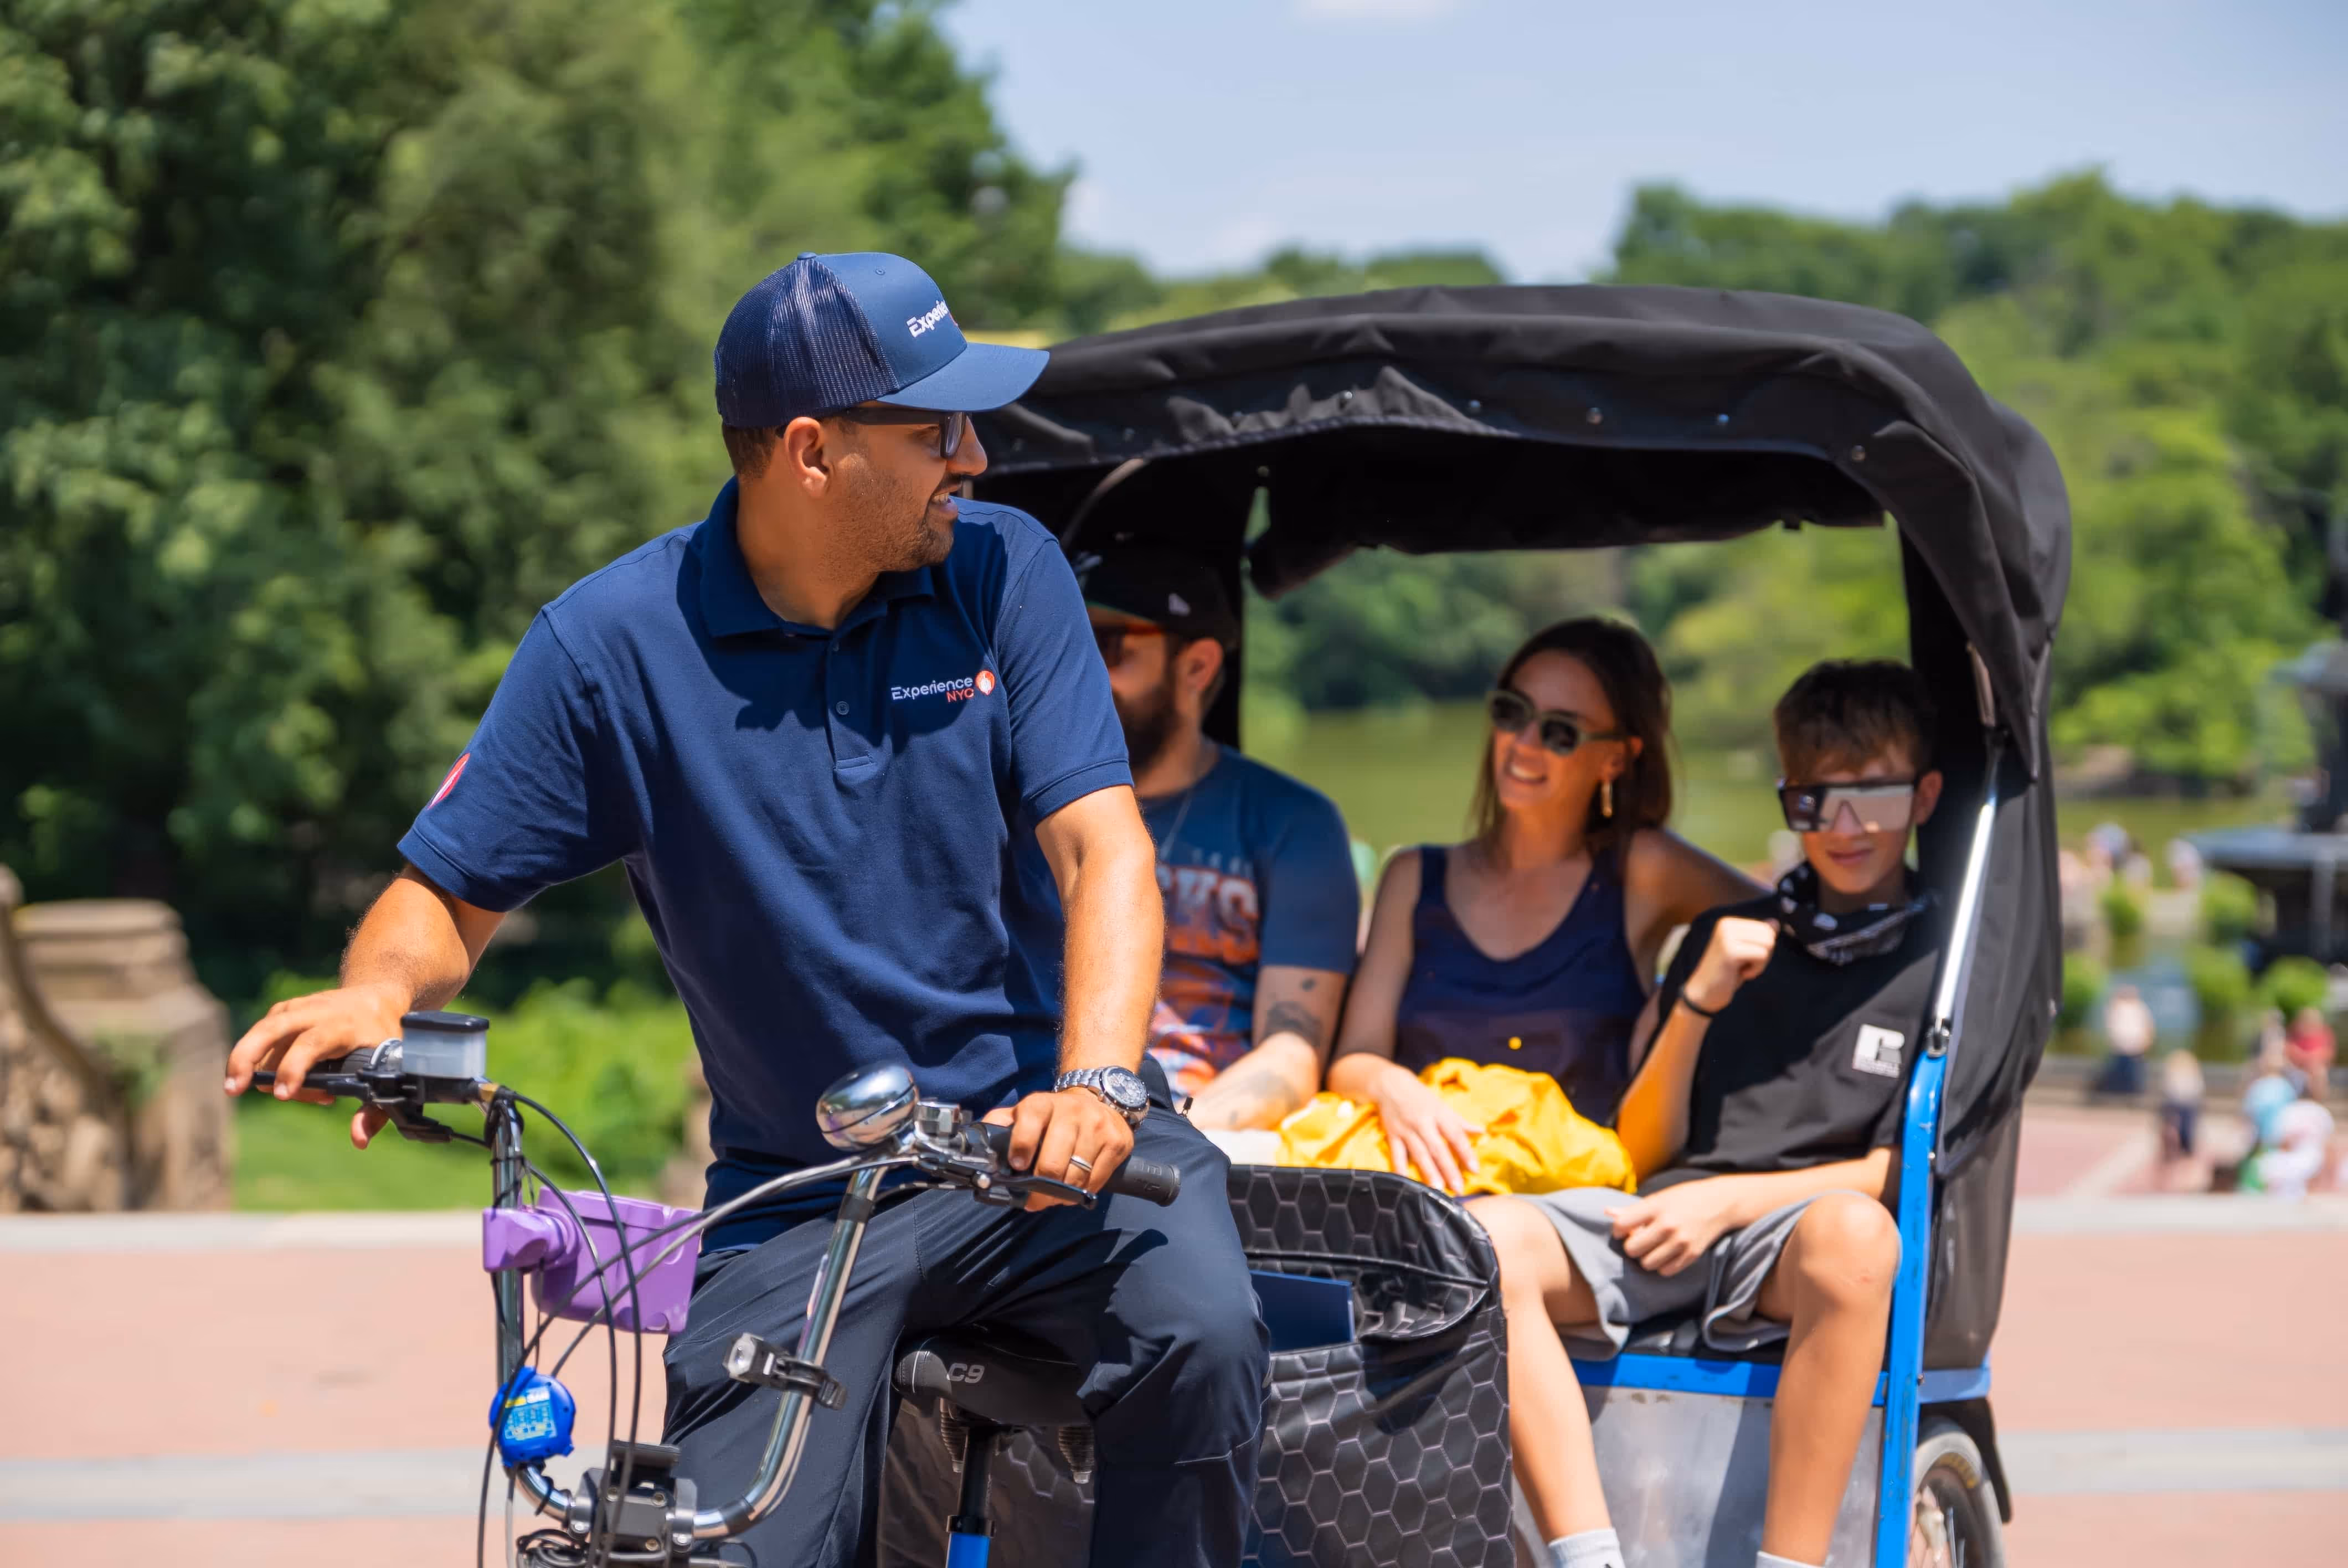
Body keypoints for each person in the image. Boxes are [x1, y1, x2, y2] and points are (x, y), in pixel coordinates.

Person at [223, 253, 1268, 1567]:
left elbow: (1100, 851)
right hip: (801, 1188)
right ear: (812, 451)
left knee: (1209, 1329)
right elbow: (445, 890)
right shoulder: (609, 645)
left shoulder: (1006, 572)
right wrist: (377, 994)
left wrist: (1100, 1082)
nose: (977, 458)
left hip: (1042, 1145)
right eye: (936, 427)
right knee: (719, 1543)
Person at [1468, 658, 1948, 1568]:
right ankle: (1588, 1554)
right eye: (1813, 802)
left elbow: (1908, 1163)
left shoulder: (1947, 958)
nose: (1842, 829)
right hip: (1665, 1219)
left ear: (1923, 795)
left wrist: (1729, 1202)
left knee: (1856, 1237)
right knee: (1483, 1240)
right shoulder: (1730, 934)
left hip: (1791, 1238)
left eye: (1869, 798)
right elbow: (1641, 1148)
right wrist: (1698, 997)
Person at [1328, 618, 1757, 1194]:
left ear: (1616, 759)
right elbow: (1353, 1057)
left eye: (1559, 732)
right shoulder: (1413, 876)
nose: (1523, 742)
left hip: (1571, 1205)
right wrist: (1394, 1089)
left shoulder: (1645, 869)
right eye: (1511, 713)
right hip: (1419, 1195)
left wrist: (1678, 1002)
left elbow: (1794, 925)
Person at [1077, 545, 1360, 1130]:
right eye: (1064, 644)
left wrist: (1182, 1138)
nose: (1076, 673)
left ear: (1197, 668)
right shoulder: (1020, 808)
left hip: (1209, 1133)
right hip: (1048, 1118)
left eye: (1104, 647)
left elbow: (1292, 1049)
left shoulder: (1292, 823)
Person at [2095, 982, 2155, 1096]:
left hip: (2136, 1046)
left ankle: (2135, 1092)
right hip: (2121, 1046)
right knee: (2121, 1071)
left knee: (2134, 1072)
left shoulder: (2140, 1007)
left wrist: (2147, 1041)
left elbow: (2148, 1026)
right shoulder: (2117, 1007)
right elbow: (2112, 1026)